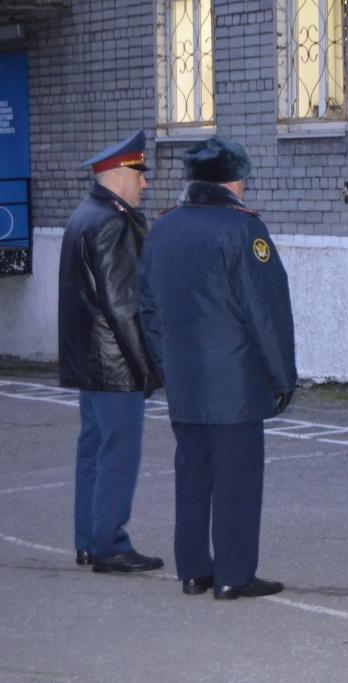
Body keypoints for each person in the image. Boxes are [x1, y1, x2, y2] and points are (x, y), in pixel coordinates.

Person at [138, 136, 296, 598]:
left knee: (192, 475)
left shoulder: (163, 228)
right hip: (235, 382)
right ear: (235, 180)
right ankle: (233, 575)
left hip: (185, 381)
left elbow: (147, 308)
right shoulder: (242, 229)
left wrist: (168, 367)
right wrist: (282, 376)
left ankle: (193, 570)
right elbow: (265, 311)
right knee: (237, 479)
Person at [57, 129, 164, 574]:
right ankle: (109, 543)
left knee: (94, 450)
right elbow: (124, 307)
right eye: (140, 174)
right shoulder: (113, 223)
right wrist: (147, 370)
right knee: (119, 453)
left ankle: (89, 538)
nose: (145, 184)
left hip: (89, 362)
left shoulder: (84, 215)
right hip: (114, 362)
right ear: (119, 174)